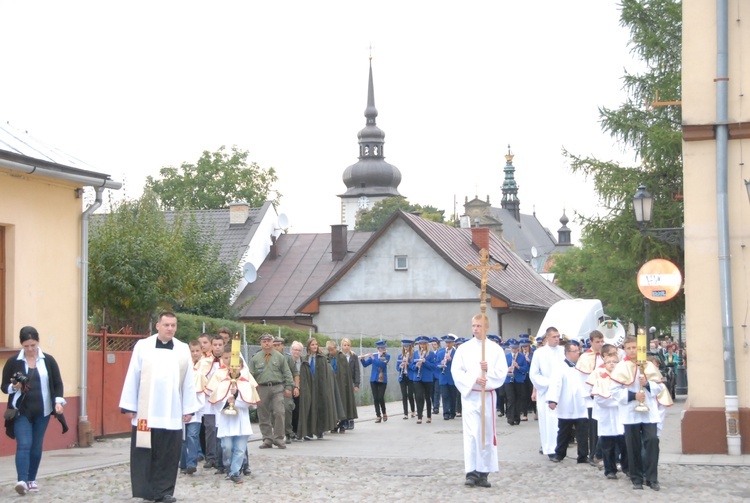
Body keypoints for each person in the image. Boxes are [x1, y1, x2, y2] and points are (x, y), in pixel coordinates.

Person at [119, 312, 200, 503]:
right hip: (147, 411)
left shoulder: (181, 349)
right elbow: (133, 375)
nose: (170, 328)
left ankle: (164, 491)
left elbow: (188, 381)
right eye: (166, 325)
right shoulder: (143, 346)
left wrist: (188, 408)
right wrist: (129, 405)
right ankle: (144, 490)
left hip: (171, 411)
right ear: (158, 326)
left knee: (168, 454)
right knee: (145, 451)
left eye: (173, 325)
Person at [2, 326, 66, 496]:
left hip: (43, 411)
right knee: (24, 444)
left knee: (36, 446)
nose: (30, 349)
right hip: (21, 411)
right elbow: (3, 386)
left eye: (33, 345)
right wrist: (14, 386)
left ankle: (32, 479)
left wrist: (58, 402)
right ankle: (22, 481)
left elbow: (58, 384)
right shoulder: (13, 361)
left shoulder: (48, 361)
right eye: (26, 346)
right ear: (22, 345)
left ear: (38, 342)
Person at [451, 313, 508, 489]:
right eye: (473, 325)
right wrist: (474, 379)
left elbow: (502, 372)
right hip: (470, 395)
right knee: (471, 434)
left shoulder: (495, 349)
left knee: (485, 434)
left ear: (486, 327)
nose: (475, 329)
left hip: (487, 396)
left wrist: (488, 372)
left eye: (479, 326)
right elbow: (457, 371)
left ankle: (484, 472)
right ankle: (471, 471)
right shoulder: (464, 349)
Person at [610, 335, 673, 491]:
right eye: (629, 348)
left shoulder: (649, 365)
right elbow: (615, 391)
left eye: (635, 347)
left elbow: (659, 387)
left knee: (652, 441)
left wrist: (648, 384)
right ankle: (636, 477)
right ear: (624, 350)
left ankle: (652, 477)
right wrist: (633, 396)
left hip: (648, 412)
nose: (632, 350)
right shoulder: (620, 367)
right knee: (633, 446)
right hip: (630, 411)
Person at [205, 346, 260, 484]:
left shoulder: (246, 384)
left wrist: (236, 399)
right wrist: (226, 401)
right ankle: (229, 465)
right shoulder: (223, 383)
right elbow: (215, 401)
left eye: (238, 367)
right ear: (228, 368)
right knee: (226, 447)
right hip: (227, 420)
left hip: (241, 420)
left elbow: (251, 403)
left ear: (242, 368)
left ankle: (235, 472)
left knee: (240, 448)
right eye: (232, 367)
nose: (235, 370)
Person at [247, 333, 293, 449]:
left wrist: (288, 387)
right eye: (264, 341)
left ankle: (278, 438)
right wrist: (250, 389)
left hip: (277, 387)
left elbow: (287, 373)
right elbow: (250, 375)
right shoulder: (255, 358)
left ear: (273, 343)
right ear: (261, 343)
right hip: (261, 388)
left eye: (269, 341)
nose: (266, 343)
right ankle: (267, 438)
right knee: (263, 414)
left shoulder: (279, 357)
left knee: (279, 412)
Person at [547, 341, 591, 464]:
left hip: (581, 403)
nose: (578, 353)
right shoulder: (560, 367)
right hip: (566, 403)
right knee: (564, 431)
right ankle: (559, 453)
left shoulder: (583, 365)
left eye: (578, 351)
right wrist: (553, 399)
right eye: (575, 351)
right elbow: (555, 384)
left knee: (582, 431)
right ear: (567, 353)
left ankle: (583, 455)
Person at [589, 353, 628, 480]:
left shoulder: (624, 379)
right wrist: (618, 401)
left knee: (625, 445)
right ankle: (610, 470)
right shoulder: (601, 380)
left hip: (621, 417)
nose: (612, 364)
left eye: (614, 361)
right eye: (609, 362)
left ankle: (627, 468)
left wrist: (618, 400)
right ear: (605, 365)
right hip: (607, 417)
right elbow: (600, 400)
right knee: (608, 447)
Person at [529, 327, 564, 460]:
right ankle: (549, 448)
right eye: (554, 337)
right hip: (546, 391)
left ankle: (561, 447)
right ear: (547, 338)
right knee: (548, 421)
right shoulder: (539, 353)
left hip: (561, 391)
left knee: (560, 421)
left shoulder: (562, 351)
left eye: (558, 336)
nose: (557, 339)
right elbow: (534, 374)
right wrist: (549, 383)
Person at [297, 338, 338, 439]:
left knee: (320, 407)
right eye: (312, 345)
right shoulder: (305, 358)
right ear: (309, 346)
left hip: (320, 386)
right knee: (309, 408)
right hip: (309, 386)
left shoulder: (322, 358)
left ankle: (320, 430)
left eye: (316, 344)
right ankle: (309, 431)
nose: (315, 346)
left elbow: (325, 375)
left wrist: (325, 388)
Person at [196, 334, 225, 471]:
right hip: (208, 400)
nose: (217, 347)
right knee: (209, 429)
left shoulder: (228, 360)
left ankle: (221, 457)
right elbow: (199, 378)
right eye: (215, 345)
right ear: (211, 346)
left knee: (222, 428)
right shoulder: (204, 361)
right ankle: (210, 457)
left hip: (223, 398)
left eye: (220, 345)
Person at [576, 329, 605, 464]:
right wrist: (592, 392)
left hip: (605, 396)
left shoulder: (605, 356)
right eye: (597, 342)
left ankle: (604, 453)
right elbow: (583, 379)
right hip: (591, 398)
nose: (600, 344)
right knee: (593, 428)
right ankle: (593, 454)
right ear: (591, 342)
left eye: (601, 341)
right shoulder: (585, 357)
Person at [179, 340, 204, 475]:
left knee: (192, 436)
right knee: (182, 439)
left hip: (195, 413)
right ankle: (182, 463)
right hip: (180, 411)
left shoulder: (198, 374)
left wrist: (194, 409)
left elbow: (200, 397)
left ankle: (191, 463)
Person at [326, 340, 357, 433]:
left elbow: (346, 373)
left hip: (342, 385)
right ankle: (334, 424)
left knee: (343, 403)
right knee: (333, 404)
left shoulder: (341, 357)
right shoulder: (327, 358)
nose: (331, 352)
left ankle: (343, 423)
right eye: (329, 350)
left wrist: (349, 384)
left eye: (332, 350)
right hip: (331, 384)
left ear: (336, 348)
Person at [274, 337, 299, 443]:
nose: (276, 347)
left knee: (288, 407)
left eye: (278, 345)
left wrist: (296, 387)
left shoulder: (288, 359)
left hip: (286, 387)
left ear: (282, 346)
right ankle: (276, 432)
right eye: (274, 345)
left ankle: (288, 432)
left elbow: (295, 373)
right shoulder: (269, 357)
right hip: (273, 387)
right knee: (273, 411)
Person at [361, 340, 390, 423]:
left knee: (380, 397)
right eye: (381, 348)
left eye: (384, 347)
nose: (383, 349)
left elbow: (381, 364)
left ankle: (384, 412)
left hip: (382, 379)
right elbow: (365, 364)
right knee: (375, 398)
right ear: (378, 348)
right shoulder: (374, 355)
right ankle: (378, 415)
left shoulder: (386, 356)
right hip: (373, 379)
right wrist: (363, 359)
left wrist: (373, 358)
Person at [411, 336, 437, 424]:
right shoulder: (415, 353)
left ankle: (429, 416)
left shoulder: (431, 354)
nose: (421, 345)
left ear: (426, 344)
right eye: (420, 344)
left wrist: (425, 361)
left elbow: (433, 366)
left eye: (423, 343)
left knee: (427, 397)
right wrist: (416, 366)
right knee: (418, 397)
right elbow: (411, 365)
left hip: (427, 378)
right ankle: (419, 416)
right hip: (417, 378)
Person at [504, 338, 530, 426]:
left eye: (515, 348)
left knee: (518, 399)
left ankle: (517, 417)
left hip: (518, 379)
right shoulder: (506, 356)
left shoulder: (522, 357)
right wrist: (507, 369)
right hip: (508, 379)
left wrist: (518, 367)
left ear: (518, 348)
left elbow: (526, 369)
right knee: (510, 399)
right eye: (512, 348)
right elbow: (501, 368)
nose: (514, 350)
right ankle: (510, 418)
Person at [340, 338, 361, 430]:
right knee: (343, 401)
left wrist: (356, 384)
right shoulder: (339, 355)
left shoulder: (353, 356)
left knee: (350, 401)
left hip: (351, 381)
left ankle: (351, 420)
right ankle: (344, 420)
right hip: (342, 382)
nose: (346, 347)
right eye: (345, 345)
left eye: (348, 345)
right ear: (342, 346)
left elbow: (357, 370)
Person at [436, 334, 458, 420]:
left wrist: (451, 360)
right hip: (443, 377)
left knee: (453, 396)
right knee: (445, 396)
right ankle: (446, 413)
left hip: (452, 378)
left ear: (453, 343)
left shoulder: (456, 353)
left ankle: (452, 412)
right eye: (446, 343)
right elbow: (436, 364)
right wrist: (441, 363)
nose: (448, 344)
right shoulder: (441, 353)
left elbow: (459, 365)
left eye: (449, 343)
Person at [397, 340, 416, 419]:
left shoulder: (413, 356)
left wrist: (408, 364)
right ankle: (405, 413)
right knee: (404, 395)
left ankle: (413, 411)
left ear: (410, 347)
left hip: (410, 377)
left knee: (410, 394)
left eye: (407, 346)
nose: (406, 348)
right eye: (404, 347)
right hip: (403, 376)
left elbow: (414, 367)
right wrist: (401, 365)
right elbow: (397, 367)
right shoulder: (400, 356)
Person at [289, 341, 304, 439]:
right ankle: (290, 431)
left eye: (299, 350)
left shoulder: (303, 362)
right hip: (289, 387)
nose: (297, 352)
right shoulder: (287, 360)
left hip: (300, 388)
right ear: (291, 350)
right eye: (295, 350)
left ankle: (297, 430)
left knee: (298, 410)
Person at [430, 337, 442, 415]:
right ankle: (434, 405)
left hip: (437, 375)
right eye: (432, 344)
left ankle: (436, 407)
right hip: (431, 375)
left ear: (438, 345)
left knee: (437, 391)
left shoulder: (440, 352)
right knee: (431, 392)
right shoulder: (429, 353)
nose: (434, 346)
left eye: (435, 344)